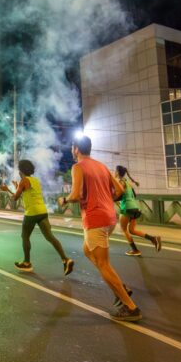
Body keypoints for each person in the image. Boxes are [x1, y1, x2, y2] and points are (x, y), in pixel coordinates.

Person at [58, 136, 141, 322]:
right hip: (110, 218)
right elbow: (119, 190)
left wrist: (64, 200)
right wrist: (104, 199)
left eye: (72, 147)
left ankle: (131, 307)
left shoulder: (78, 167)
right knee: (87, 251)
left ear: (77, 149)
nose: (71, 150)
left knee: (103, 264)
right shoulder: (102, 166)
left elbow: (75, 194)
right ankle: (120, 286)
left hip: (95, 220)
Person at [1, 159, 74, 275]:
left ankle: (27, 263)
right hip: (42, 212)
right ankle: (65, 259)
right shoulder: (35, 180)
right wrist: (17, 187)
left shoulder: (24, 180)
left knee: (25, 236)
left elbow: (15, 198)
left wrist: (7, 190)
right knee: (50, 237)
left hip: (31, 213)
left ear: (21, 171)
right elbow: (27, 194)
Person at [115, 166, 161, 256]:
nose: (114, 172)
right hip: (134, 207)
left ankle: (135, 250)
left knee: (124, 230)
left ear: (117, 172)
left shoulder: (120, 182)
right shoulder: (128, 183)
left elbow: (118, 195)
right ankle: (153, 239)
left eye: (115, 171)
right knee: (131, 230)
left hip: (126, 208)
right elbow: (133, 196)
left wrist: (110, 198)